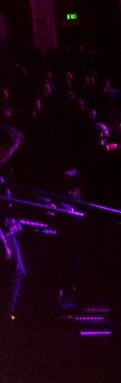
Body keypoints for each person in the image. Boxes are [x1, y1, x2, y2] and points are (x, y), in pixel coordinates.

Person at [0, 126, 24, 321]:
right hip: (3, 231)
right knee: (15, 271)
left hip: (7, 227)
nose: (12, 153)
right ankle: (6, 319)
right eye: (12, 148)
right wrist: (2, 241)